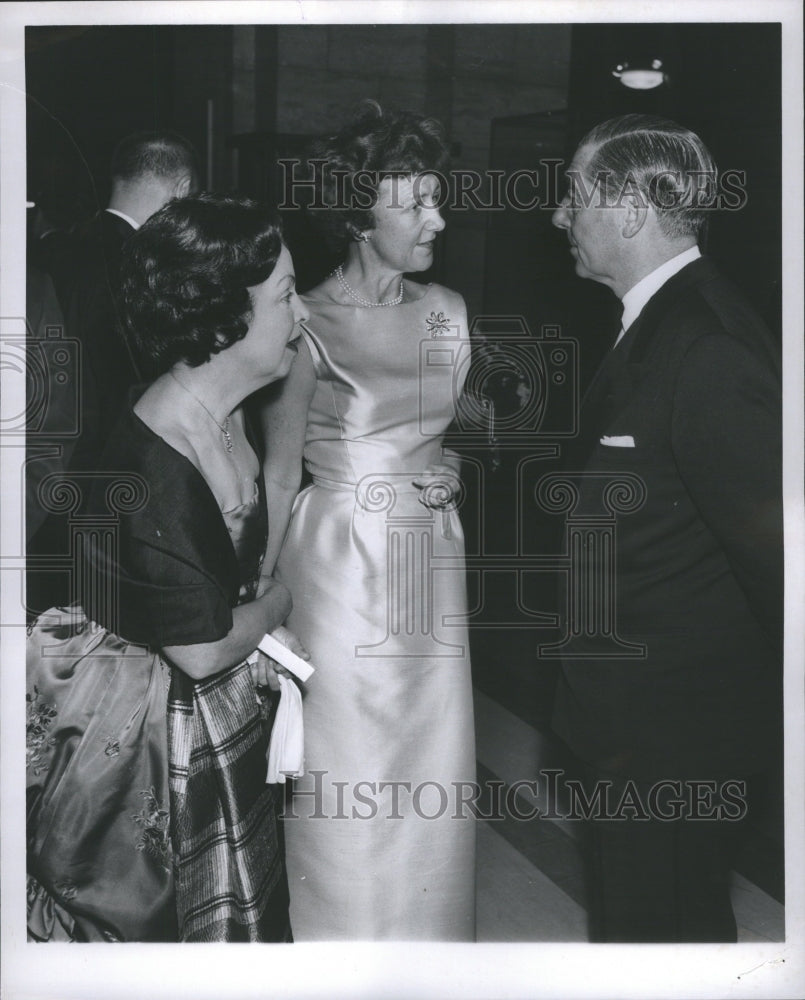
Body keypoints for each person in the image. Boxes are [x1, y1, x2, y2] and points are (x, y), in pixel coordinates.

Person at [26, 193, 309, 942]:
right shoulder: (157, 455)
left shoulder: (225, 406)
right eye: (284, 294)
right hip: (144, 733)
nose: (300, 313)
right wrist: (280, 604)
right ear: (225, 318)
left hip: (201, 704)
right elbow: (201, 646)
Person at [549, 114, 782, 942]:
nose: (558, 216)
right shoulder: (661, 319)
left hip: (675, 737)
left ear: (628, 210)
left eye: (573, 197)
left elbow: (776, 562)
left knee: (660, 937)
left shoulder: (706, 344)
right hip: (637, 726)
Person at [258, 104, 476, 940]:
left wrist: (447, 467)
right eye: (415, 203)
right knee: (350, 768)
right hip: (339, 569)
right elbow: (280, 472)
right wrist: (262, 605)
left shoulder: (447, 308)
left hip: (430, 558)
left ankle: (429, 952)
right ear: (357, 215)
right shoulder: (305, 321)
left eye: (437, 197)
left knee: (431, 765)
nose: (438, 217)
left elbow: (437, 436)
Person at [27, 131, 200, 615]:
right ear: (182, 189)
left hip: (35, 495)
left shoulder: (47, 254)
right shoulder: (152, 267)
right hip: (115, 501)